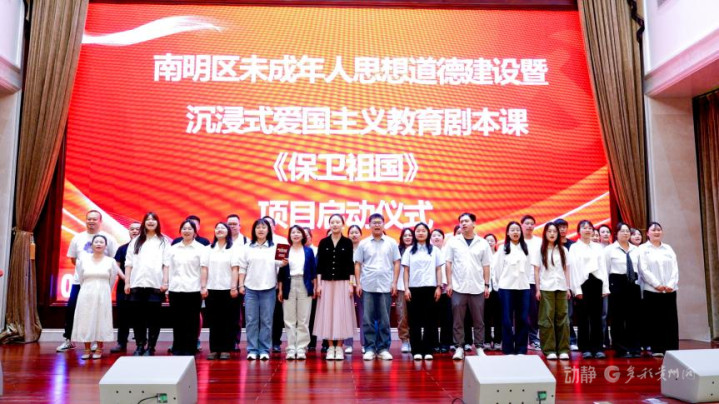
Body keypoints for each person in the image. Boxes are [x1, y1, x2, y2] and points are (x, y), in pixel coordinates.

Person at [58, 210, 118, 353]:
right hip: (80, 281)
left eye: (94, 219)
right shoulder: (77, 238)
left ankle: (96, 341)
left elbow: (114, 260)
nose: (91, 221)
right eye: (89, 219)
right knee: (72, 308)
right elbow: (74, 259)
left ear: (100, 221)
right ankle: (69, 339)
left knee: (98, 311)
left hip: (99, 283)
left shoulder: (109, 239)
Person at [445, 212, 492, 360]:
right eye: (461, 222)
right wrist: (449, 283)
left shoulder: (482, 243)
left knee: (479, 320)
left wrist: (486, 285)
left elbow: (486, 265)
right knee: (458, 320)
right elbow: (448, 263)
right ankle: (459, 347)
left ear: (474, 224)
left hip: (477, 287)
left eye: (466, 221)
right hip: (458, 286)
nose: (463, 224)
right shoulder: (453, 242)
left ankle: (479, 347)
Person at [354, 213, 401, 361]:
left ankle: (383, 348)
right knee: (367, 319)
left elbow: (397, 262)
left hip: (385, 285)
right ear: (369, 225)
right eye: (374, 223)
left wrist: (394, 282)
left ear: (383, 224)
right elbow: (358, 264)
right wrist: (358, 283)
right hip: (367, 285)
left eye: (379, 222)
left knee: (384, 319)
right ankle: (369, 348)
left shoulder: (391, 243)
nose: (376, 225)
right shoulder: (363, 244)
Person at [124, 211, 171, 356]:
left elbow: (167, 264)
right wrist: (127, 283)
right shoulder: (136, 241)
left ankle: (151, 347)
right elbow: (128, 263)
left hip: (155, 286)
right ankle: (139, 345)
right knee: (138, 319)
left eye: (153, 219)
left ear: (157, 223)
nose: (150, 222)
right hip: (137, 284)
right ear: (144, 223)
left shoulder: (163, 241)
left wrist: (165, 283)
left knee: (154, 319)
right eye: (148, 219)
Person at [239, 219, 286, 360]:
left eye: (263, 227)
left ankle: (264, 349)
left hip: (269, 288)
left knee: (266, 321)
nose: (260, 230)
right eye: (258, 227)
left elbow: (280, 263)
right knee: (251, 321)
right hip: (250, 289)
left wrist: (284, 262)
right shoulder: (247, 248)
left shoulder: (275, 246)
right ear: (254, 230)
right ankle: (252, 349)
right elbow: (242, 268)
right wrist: (241, 285)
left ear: (268, 230)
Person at [313, 214, 357, 360]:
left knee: (341, 314)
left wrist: (351, 285)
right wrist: (319, 285)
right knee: (328, 314)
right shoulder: (323, 242)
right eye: (332, 222)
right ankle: (330, 347)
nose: (335, 224)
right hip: (326, 283)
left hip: (343, 283)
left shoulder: (347, 242)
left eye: (338, 222)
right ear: (329, 225)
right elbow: (319, 266)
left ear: (342, 224)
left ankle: (339, 347)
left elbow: (350, 265)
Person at [72, 235, 120, 359]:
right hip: (86, 293)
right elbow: (81, 278)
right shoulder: (83, 260)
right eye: (96, 242)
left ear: (105, 246)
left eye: (101, 242)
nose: (98, 244)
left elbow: (112, 280)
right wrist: (87, 289)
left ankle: (99, 348)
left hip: (103, 293)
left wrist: (105, 291)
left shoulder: (111, 261)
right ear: (92, 245)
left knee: (101, 319)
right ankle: (87, 349)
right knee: (85, 319)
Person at [568, 220, 610, 359]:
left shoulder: (598, 247)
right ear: (579, 231)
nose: (587, 230)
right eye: (584, 228)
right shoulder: (574, 247)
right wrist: (577, 289)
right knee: (583, 318)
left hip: (597, 283)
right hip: (582, 284)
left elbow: (603, 267)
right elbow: (573, 269)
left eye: (590, 228)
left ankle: (598, 348)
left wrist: (605, 287)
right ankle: (585, 347)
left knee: (597, 317)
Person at [402, 222, 443, 361]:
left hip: (431, 288)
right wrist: (406, 288)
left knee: (430, 321)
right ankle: (416, 350)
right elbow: (406, 271)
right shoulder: (409, 250)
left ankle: (428, 349)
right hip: (413, 289)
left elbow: (438, 269)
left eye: (423, 230)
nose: (420, 233)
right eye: (418, 231)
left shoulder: (435, 250)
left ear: (428, 233)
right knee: (415, 321)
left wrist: (439, 287)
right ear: (415, 233)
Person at [638, 222, 679, 357]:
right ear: (647, 233)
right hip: (652, 290)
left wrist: (671, 284)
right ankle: (657, 348)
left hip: (669, 290)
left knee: (670, 320)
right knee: (655, 320)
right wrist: (656, 284)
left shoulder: (668, 248)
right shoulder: (643, 249)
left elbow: (675, 268)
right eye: (653, 230)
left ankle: (672, 347)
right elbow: (643, 269)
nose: (657, 232)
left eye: (659, 230)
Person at [200, 222, 240, 360]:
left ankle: (225, 349)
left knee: (227, 320)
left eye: (223, 228)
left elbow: (235, 269)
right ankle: (214, 349)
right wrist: (203, 286)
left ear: (228, 231)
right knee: (213, 320)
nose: (219, 230)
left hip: (228, 289)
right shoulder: (208, 249)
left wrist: (234, 287)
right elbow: (204, 268)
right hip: (211, 289)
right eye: (217, 228)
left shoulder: (233, 249)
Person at [532, 222, 570, 360]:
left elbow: (566, 270)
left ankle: (563, 349)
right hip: (546, 287)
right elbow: (536, 271)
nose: (552, 234)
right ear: (545, 233)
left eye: (554, 231)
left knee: (563, 318)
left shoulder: (563, 250)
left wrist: (568, 288)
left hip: (561, 287)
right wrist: (537, 289)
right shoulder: (540, 250)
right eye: (549, 231)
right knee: (546, 318)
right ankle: (549, 350)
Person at [278, 225, 317, 360]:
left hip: (304, 284)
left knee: (303, 319)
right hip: (289, 284)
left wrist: (314, 287)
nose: (295, 234)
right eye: (293, 232)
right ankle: (291, 348)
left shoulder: (308, 251)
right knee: (289, 319)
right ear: (289, 236)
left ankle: (301, 348)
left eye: (298, 232)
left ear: (303, 235)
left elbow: (313, 271)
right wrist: (280, 289)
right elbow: (281, 272)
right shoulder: (284, 250)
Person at [493, 221, 532, 355]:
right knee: (507, 319)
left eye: (517, 230)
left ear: (521, 233)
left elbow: (528, 269)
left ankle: (521, 349)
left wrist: (524, 281)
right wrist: (500, 284)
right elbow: (497, 270)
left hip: (523, 287)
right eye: (512, 230)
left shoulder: (525, 249)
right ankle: (508, 349)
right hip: (506, 288)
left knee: (523, 318)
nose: (515, 232)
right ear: (508, 233)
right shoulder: (502, 249)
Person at [604, 222, 642, 358]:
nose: (626, 233)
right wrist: (606, 287)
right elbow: (605, 270)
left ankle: (634, 348)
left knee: (634, 318)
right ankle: (621, 349)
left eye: (627, 231)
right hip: (617, 284)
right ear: (616, 233)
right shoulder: (610, 250)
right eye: (622, 231)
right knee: (618, 318)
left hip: (633, 284)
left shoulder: (636, 250)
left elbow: (640, 269)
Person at [168, 220, 204, 356]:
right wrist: (167, 287)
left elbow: (203, 269)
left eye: (190, 229)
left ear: (195, 232)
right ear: (180, 231)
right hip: (175, 289)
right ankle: (177, 347)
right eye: (184, 228)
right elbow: (169, 269)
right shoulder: (173, 249)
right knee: (177, 320)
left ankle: (190, 348)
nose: (187, 231)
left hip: (194, 289)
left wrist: (203, 287)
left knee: (192, 320)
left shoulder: (201, 249)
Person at [110, 221, 140, 353]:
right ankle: (121, 343)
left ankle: (140, 344)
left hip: (140, 286)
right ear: (128, 231)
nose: (135, 231)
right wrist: (125, 278)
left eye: (138, 229)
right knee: (122, 316)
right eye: (132, 229)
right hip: (123, 286)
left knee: (139, 316)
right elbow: (116, 266)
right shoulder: (122, 248)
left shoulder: (146, 248)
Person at [263, 215, 288, 353]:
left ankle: (276, 342)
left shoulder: (281, 241)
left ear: (274, 226)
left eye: (268, 224)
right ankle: (263, 342)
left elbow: (282, 265)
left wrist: (280, 282)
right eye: (263, 225)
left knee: (277, 315)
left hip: (276, 283)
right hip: (260, 283)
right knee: (263, 316)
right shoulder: (255, 243)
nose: (265, 227)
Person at [555, 218, 577, 351]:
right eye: (560, 227)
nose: (562, 229)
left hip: (570, 283)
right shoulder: (551, 245)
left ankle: (571, 340)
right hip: (554, 284)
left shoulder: (573, 245)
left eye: (564, 227)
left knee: (568, 314)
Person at [521, 214, 542, 351]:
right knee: (520, 313)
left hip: (534, 281)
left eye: (531, 223)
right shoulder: (516, 241)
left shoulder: (539, 242)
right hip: (518, 282)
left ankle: (534, 339)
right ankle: (521, 339)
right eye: (526, 223)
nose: (529, 226)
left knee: (533, 313)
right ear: (521, 225)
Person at [343, 224, 365, 354]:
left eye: (356, 232)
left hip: (362, 285)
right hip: (347, 285)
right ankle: (348, 344)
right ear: (348, 235)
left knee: (364, 315)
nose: (354, 235)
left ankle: (365, 343)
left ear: (360, 235)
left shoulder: (364, 248)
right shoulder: (345, 248)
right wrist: (350, 283)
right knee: (348, 315)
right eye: (351, 232)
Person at [227, 213, 247, 352]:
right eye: (229, 224)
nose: (232, 226)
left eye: (235, 224)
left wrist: (241, 284)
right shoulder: (220, 240)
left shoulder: (246, 241)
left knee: (235, 314)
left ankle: (234, 340)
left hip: (239, 282)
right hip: (222, 282)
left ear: (240, 226)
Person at [431, 229, 452, 353]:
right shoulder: (428, 251)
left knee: (446, 318)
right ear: (430, 239)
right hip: (431, 289)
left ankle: (445, 343)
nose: (436, 237)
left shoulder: (448, 252)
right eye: (434, 235)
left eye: (439, 235)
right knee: (432, 318)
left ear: (443, 239)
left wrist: (449, 284)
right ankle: (433, 343)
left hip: (446, 290)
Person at [483, 233, 502, 351]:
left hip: (499, 289)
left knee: (498, 316)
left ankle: (498, 341)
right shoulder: (481, 255)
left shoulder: (500, 254)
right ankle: (486, 340)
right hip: (485, 289)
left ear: (495, 242)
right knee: (485, 316)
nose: (489, 242)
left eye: (492, 240)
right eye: (487, 240)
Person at [396, 228, 413, 353]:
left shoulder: (419, 250)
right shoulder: (397, 250)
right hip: (401, 287)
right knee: (402, 315)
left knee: (415, 315)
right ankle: (405, 340)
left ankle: (414, 339)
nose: (407, 237)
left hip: (416, 286)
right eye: (405, 235)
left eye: (410, 235)